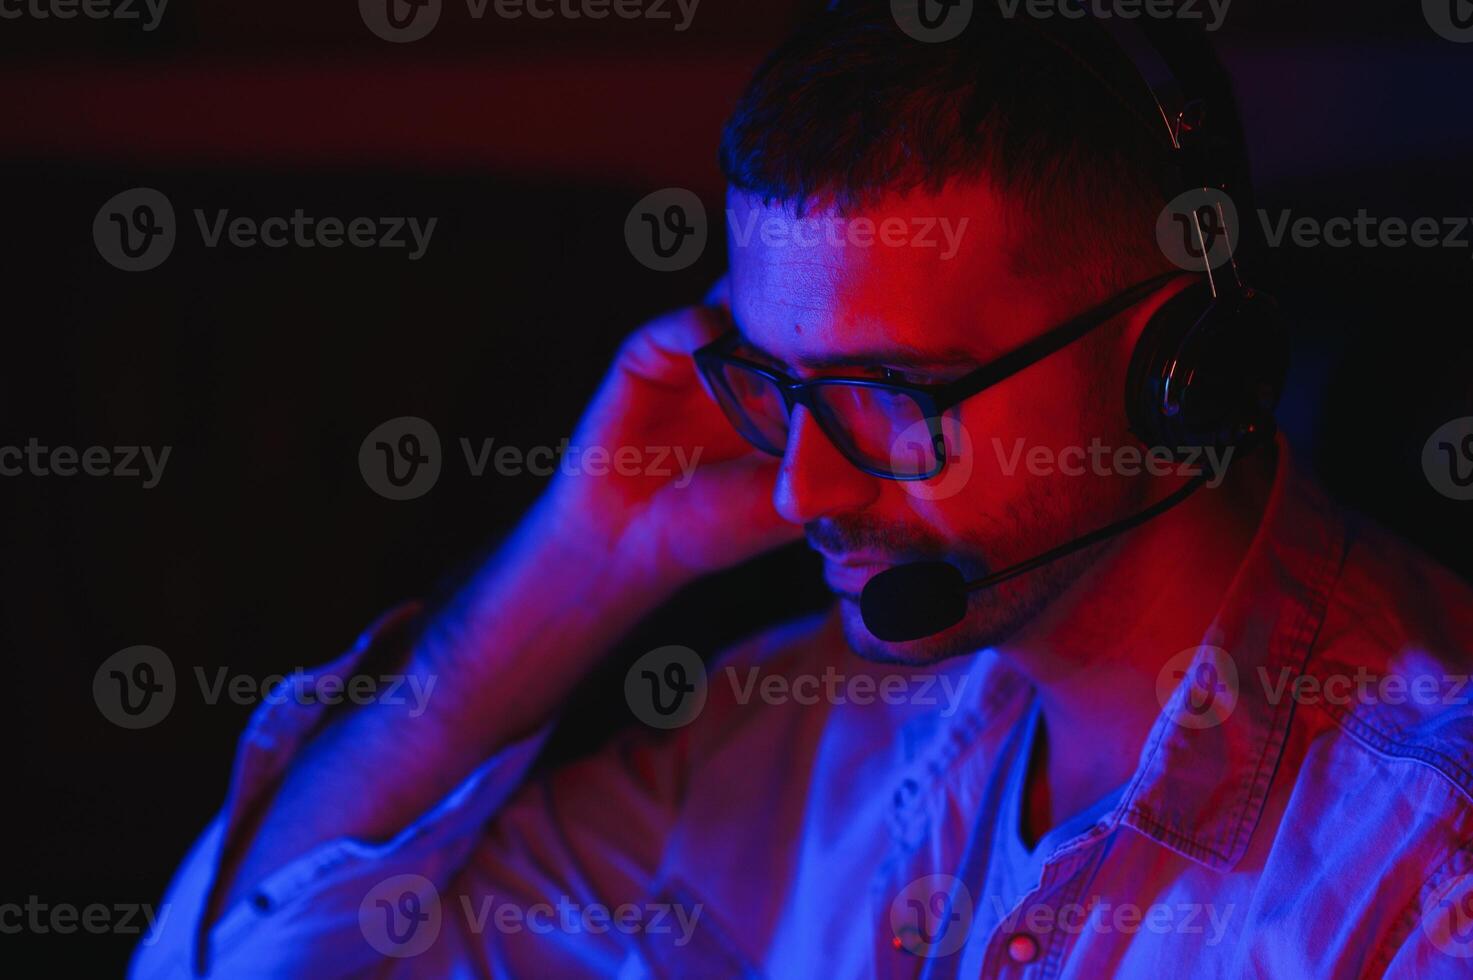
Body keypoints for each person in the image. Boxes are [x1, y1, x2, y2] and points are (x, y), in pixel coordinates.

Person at [134, 4, 1473, 977]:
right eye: (775, 387)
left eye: (893, 393)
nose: (799, 486)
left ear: (1180, 369)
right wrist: (578, 561)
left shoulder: (1427, 876)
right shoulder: (801, 729)